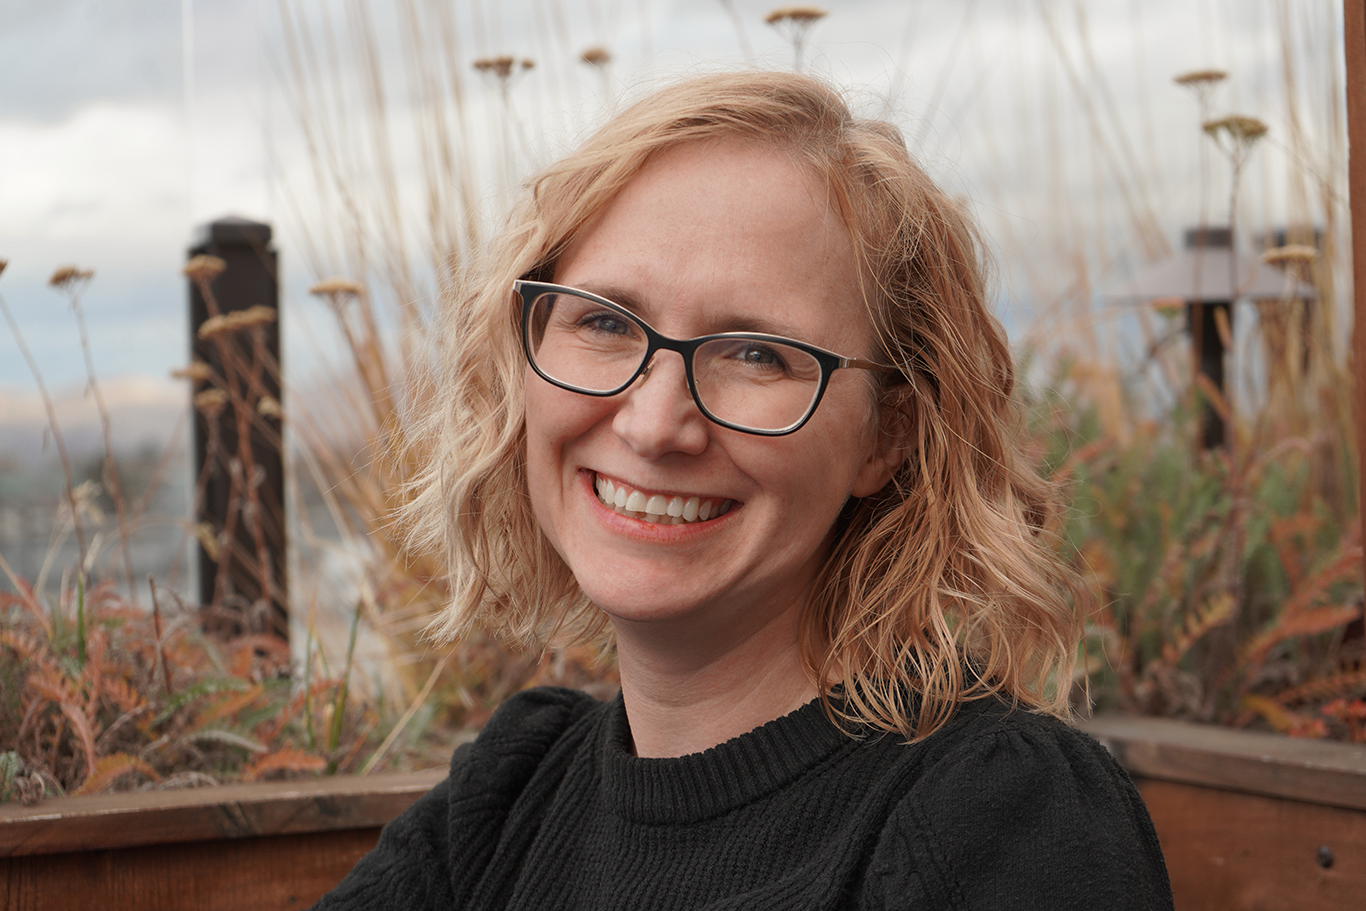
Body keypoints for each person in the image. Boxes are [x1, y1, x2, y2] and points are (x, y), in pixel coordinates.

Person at [313, 70, 1173, 910]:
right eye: (605, 321)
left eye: (757, 353)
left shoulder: (998, 817)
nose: (653, 424)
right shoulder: (512, 798)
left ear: (887, 434)